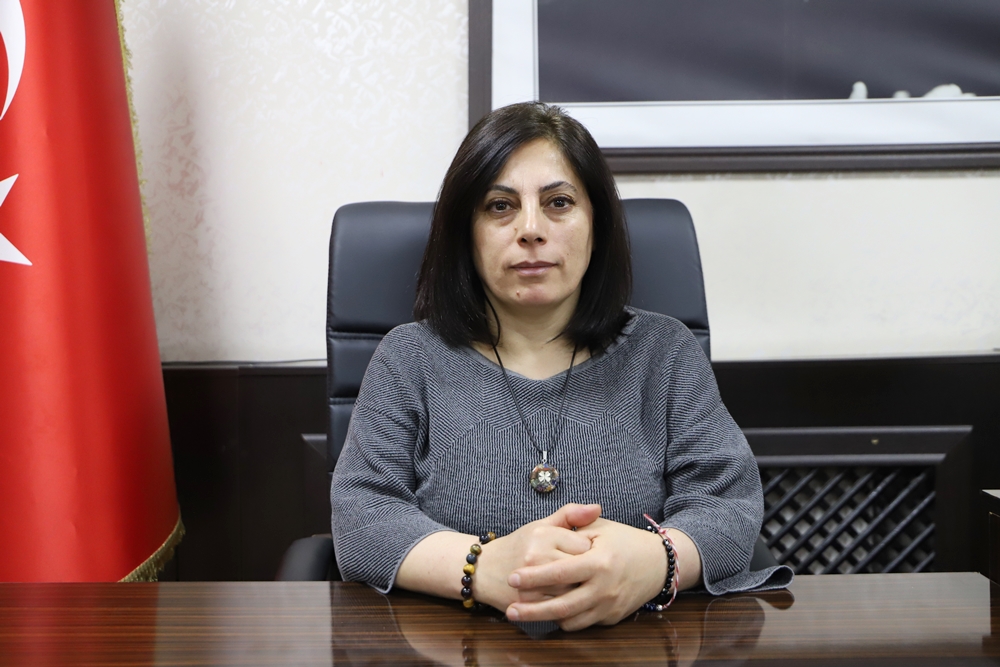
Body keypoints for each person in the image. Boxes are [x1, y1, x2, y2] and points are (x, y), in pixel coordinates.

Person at [331, 102, 790, 632]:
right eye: (500, 206)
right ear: (466, 232)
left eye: (559, 202)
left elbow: (729, 508)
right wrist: (481, 567)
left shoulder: (665, 352)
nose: (531, 229)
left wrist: (657, 561)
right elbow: (362, 517)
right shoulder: (408, 357)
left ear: (596, 224)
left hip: (636, 646)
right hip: (458, 646)